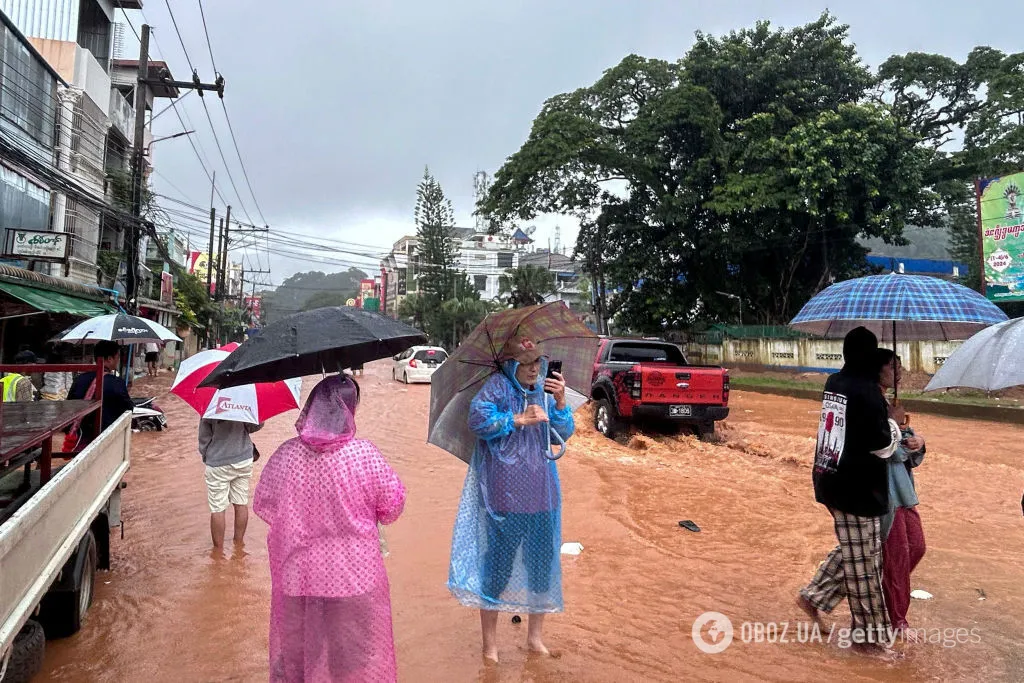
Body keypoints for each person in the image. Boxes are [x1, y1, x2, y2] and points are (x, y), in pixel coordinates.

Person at [253, 375, 405, 682]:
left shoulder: (286, 454)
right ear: (350, 409)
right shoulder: (365, 455)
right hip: (353, 577)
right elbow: (392, 507)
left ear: (313, 406)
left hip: (298, 576)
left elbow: (264, 505)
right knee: (350, 660)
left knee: (295, 658)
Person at [448, 335, 575, 663]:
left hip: (543, 493)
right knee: (497, 569)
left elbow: (564, 432)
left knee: (541, 568)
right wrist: (517, 419)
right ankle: (489, 644)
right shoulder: (496, 387)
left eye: (537, 363)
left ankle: (535, 638)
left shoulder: (543, 393)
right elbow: (477, 420)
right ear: (511, 364)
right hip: (504, 496)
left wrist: (560, 403)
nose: (534, 370)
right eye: (526, 363)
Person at [797, 326, 902, 656]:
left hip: (830, 479)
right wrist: (894, 421)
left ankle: (813, 597)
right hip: (856, 489)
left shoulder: (835, 382)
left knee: (862, 551)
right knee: (865, 568)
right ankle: (868, 640)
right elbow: (881, 445)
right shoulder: (865, 391)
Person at [875, 349, 926, 635]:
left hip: (904, 490)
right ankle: (897, 621)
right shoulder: (872, 403)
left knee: (915, 548)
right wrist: (894, 425)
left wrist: (918, 440)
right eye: (892, 366)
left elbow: (906, 446)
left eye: (900, 366)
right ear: (877, 369)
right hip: (886, 491)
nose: (899, 371)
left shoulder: (890, 403)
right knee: (897, 555)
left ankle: (888, 591)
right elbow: (884, 449)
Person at [198, 418, 263, 550]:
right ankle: (239, 546)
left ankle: (218, 552)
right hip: (243, 459)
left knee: (218, 508)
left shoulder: (211, 404)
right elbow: (253, 427)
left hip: (217, 461)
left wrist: (208, 455)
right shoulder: (245, 402)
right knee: (241, 503)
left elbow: (204, 437)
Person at [65, 341, 134, 446]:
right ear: (110, 359)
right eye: (117, 357)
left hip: (80, 438)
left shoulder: (80, 379)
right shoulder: (117, 383)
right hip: (107, 438)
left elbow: (69, 405)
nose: (118, 360)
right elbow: (128, 409)